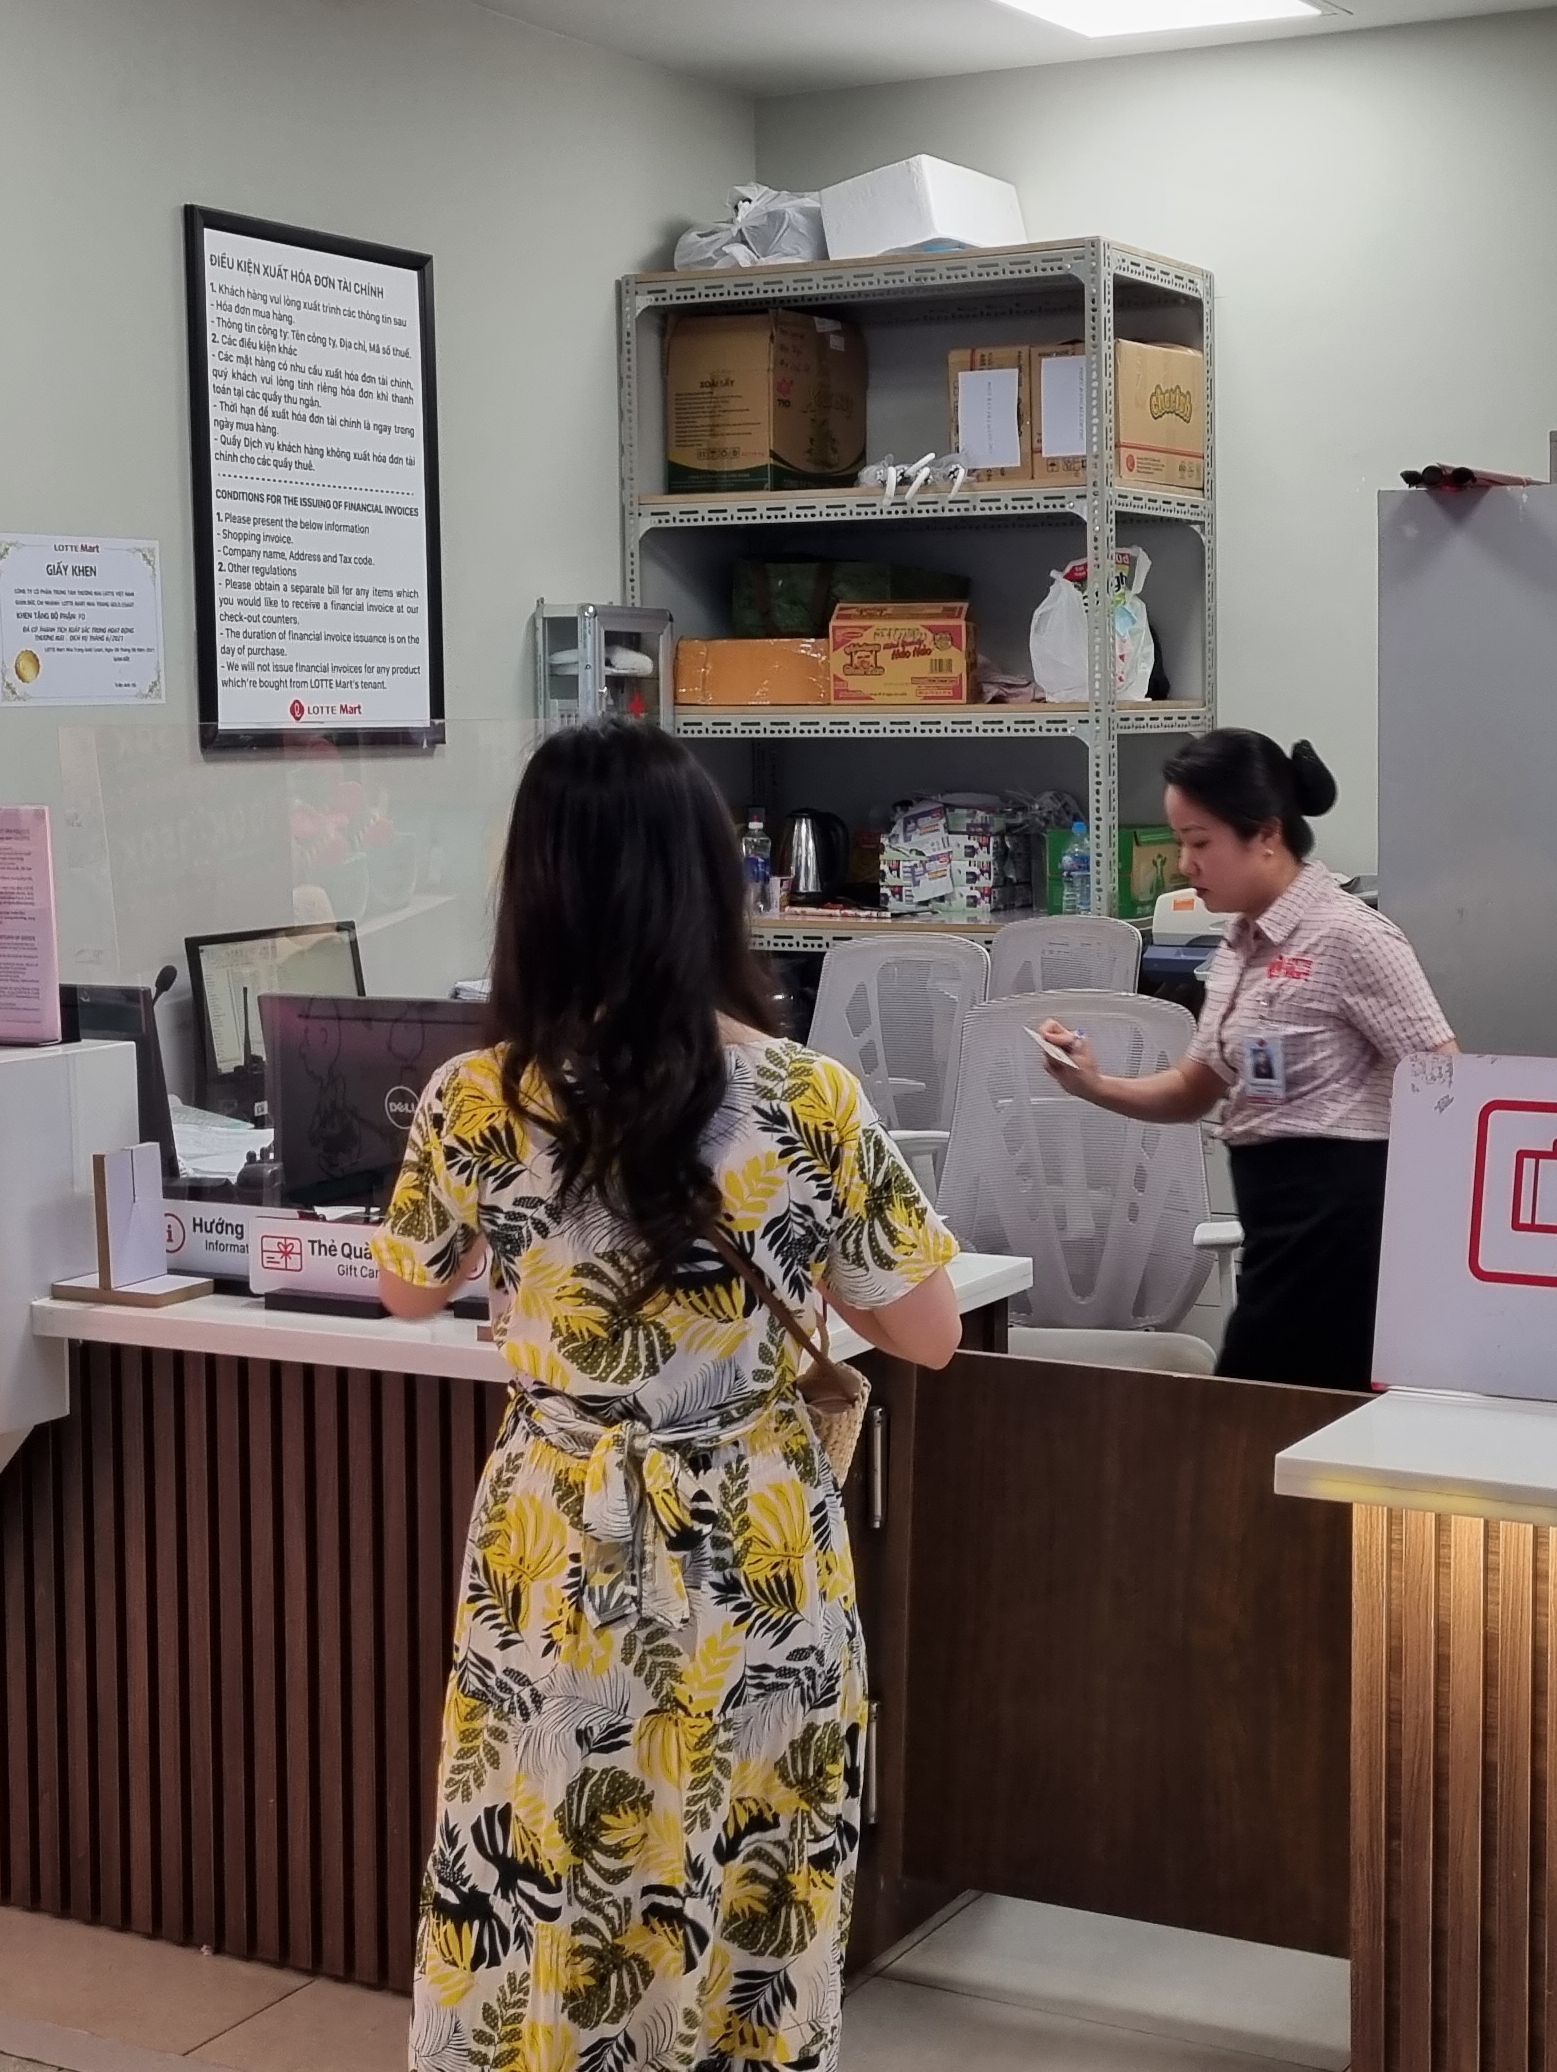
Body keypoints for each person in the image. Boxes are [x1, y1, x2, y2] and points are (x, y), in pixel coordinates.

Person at [370, 720, 964, 2072]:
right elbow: (927, 1333)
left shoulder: (474, 1099)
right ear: (707, 882)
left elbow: (408, 1286)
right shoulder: (807, 1096)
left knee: (544, 1853)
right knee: (753, 1849)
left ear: (536, 888)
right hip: (753, 1534)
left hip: (555, 1535)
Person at [1036, 730, 1456, 1390]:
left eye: (1200, 842)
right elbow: (1193, 1089)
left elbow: (1447, 1084)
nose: (1184, 864)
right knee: (1263, 1410)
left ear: (1265, 833)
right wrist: (1093, 1082)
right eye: (1181, 843)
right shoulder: (1239, 945)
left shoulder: (1350, 935)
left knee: (1261, 1408)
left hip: (1342, 1222)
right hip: (1274, 1215)